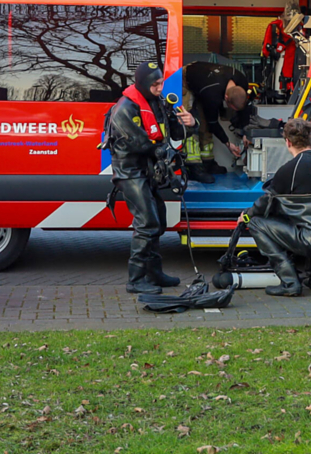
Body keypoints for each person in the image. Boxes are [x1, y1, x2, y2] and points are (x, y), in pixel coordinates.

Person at [237, 118, 311, 298]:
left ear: (287, 142)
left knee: (256, 223)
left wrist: (246, 216)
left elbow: (266, 202)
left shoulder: (290, 169)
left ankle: (290, 283)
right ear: (310, 138)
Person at [106, 61, 197, 294]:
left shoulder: (157, 102)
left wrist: (190, 123)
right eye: (155, 84)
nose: (160, 88)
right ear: (143, 83)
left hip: (149, 170)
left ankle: (154, 273)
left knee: (158, 222)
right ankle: (135, 280)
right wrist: (165, 153)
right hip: (130, 172)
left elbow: (174, 132)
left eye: (161, 83)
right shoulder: (124, 109)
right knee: (147, 223)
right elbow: (141, 144)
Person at [182, 62, 250, 183]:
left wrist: (246, 133)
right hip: (186, 79)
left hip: (205, 80)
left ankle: (207, 162)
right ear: (226, 98)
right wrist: (228, 143)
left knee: (205, 126)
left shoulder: (242, 82)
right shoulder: (212, 94)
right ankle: (193, 167)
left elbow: (244, 108)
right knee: (189, 122)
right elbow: (212, 122)